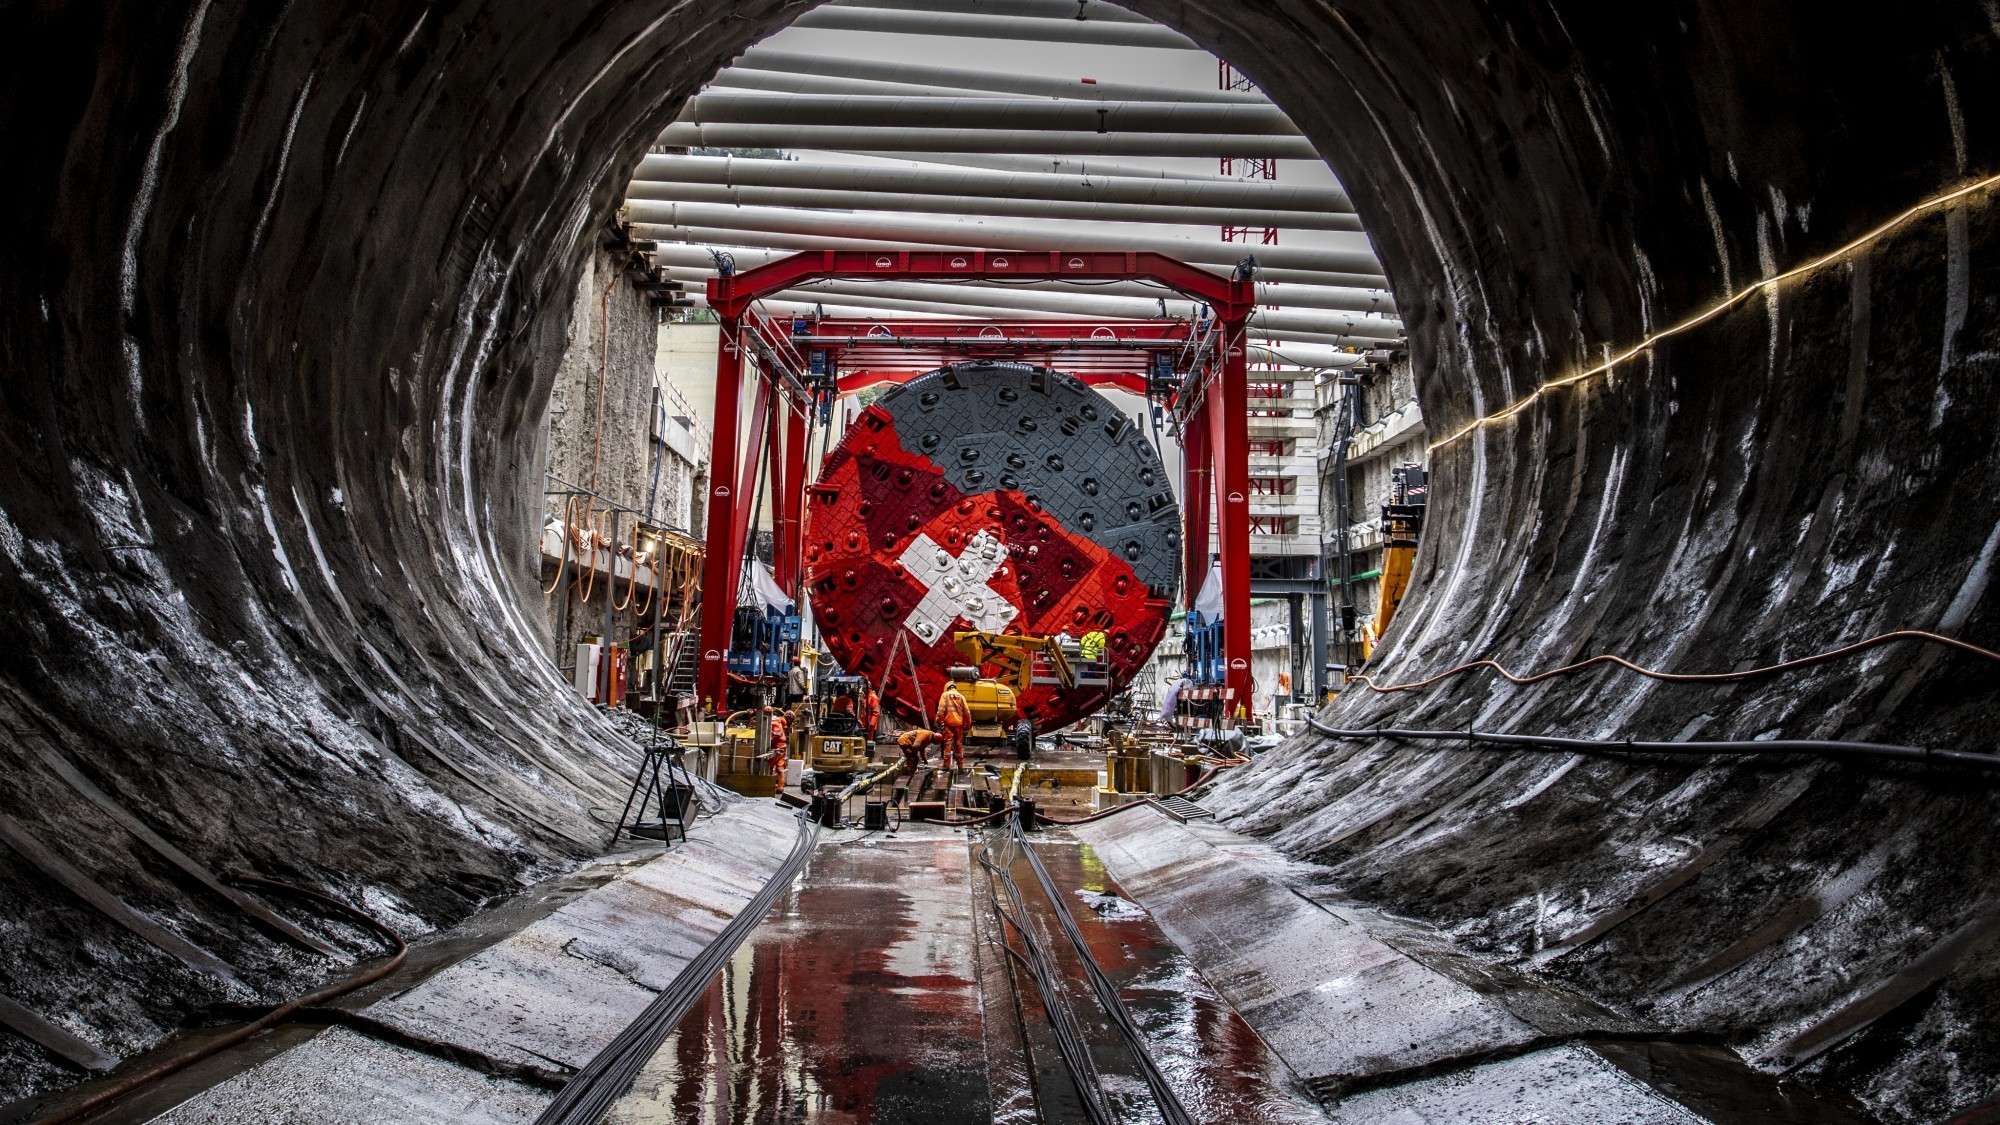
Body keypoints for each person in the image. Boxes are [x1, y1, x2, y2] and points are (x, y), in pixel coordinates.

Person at [934, 681, 971, 772]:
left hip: (948, 724)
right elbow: (967, 712)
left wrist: (939, 720)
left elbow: (941, 710)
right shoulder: (961, 697)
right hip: (958, 724)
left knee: (948, 744)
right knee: (958, 745)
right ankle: (960, 765)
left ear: (948, 688)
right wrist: (968, 724)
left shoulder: (945, 695)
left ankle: (946, 765)